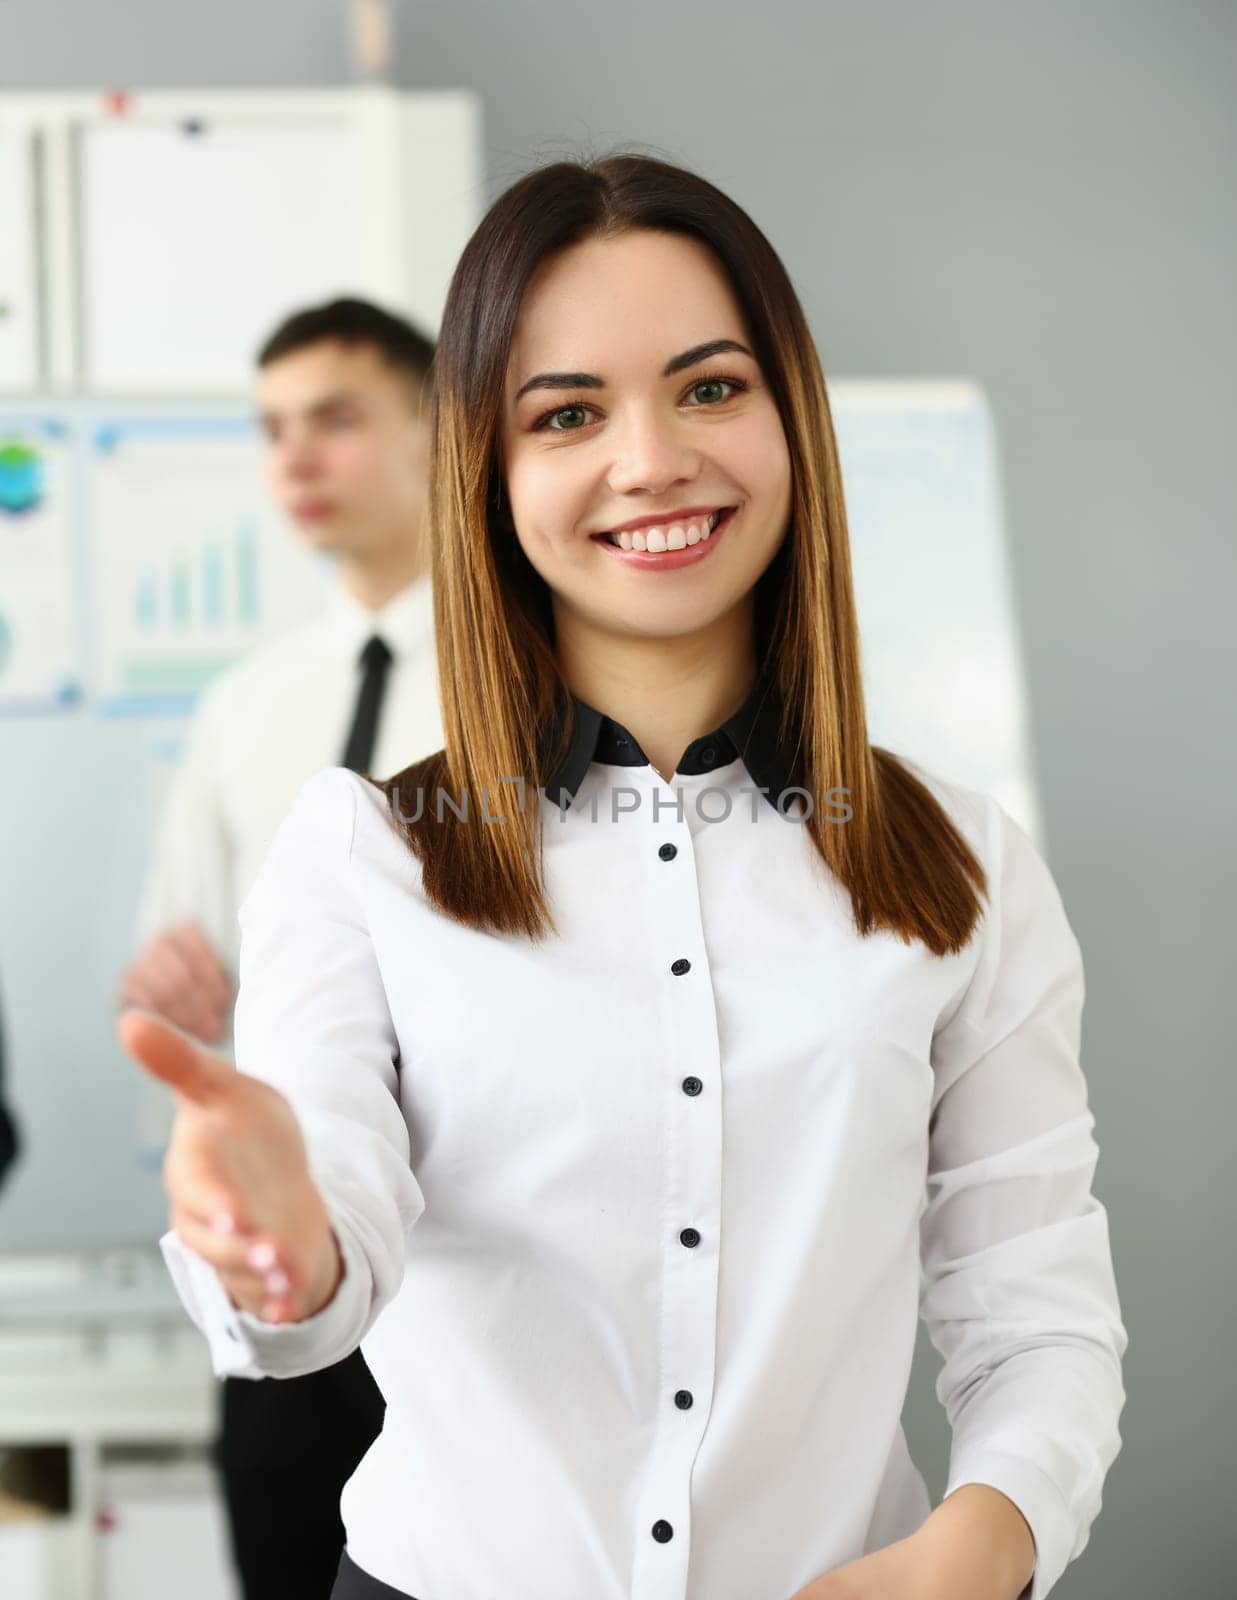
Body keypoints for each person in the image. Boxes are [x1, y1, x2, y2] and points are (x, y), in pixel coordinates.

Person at [118, 152, 1128, 1600]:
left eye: (709, 387)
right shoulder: (362, 855)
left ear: (789, 415)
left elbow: (1032, 1311)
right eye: (568, 414)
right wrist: (275, 1243)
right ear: (489, 465)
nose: (649, 459)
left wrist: (976, 1550)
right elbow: (321, 1254)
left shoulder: (961, 866)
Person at [115, 297, 443, 1600]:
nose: (295, 461)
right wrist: (172, 994)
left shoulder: (537, 690)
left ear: (437, 432)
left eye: (336, 420)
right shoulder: (245, 708)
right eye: (271, 432)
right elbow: (179, 962)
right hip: (284, 1261)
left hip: (485, 1262)